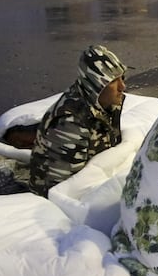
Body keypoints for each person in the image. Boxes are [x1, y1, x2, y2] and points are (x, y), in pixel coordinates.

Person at [29, 45, 127, 196]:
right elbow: (60, 190)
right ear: (96, 85)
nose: (122, 86)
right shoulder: (71, 121)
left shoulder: (103, 103)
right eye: (113, 81)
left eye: (122, 77)